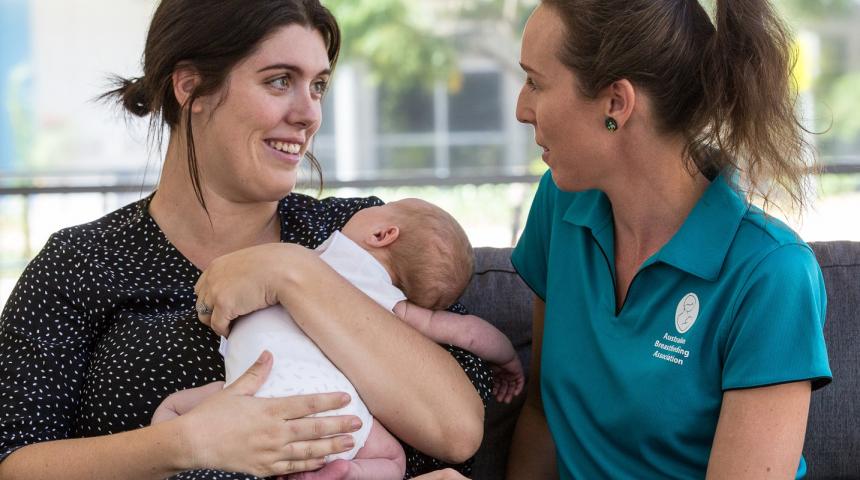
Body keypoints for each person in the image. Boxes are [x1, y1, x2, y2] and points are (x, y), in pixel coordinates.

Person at [0, 1, 488, 479]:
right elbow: (15, 460)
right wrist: (185, 443)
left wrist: (292, 273)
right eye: (279, 80)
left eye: (317, 86)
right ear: (191, 87)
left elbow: (460, 430)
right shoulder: (81, 263)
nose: (308, 113)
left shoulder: (361, 234)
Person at [507, 1, 831, 479]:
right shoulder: (560, 208)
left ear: (616, 103)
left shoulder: (771, 274)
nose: (521, 109)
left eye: (536, 82)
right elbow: (542, 417)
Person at [159, 198, 524, 480]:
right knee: (391, 460)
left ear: (383, 233)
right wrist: (508, 360)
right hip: (331, 409)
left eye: (381, 209)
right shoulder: (389, 306)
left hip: (246, 397)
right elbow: (469, 332)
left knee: (174, 408)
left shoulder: (310, 256)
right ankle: (345, 472)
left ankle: (168, 442)